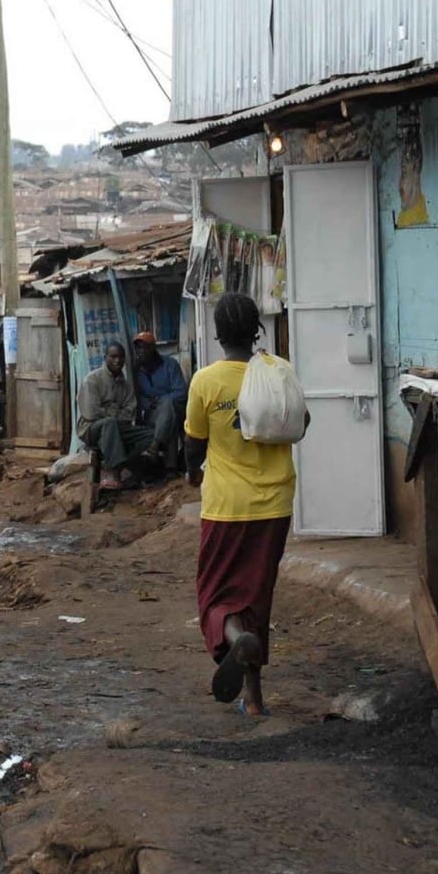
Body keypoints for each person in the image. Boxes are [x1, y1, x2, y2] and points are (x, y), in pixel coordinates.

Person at [185, 293, 299, 718]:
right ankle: (252, 701)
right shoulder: (279, 370)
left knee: (216, 598)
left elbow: (193, 445)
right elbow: (301, 423)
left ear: (217, 334)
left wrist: (191, 472)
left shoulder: (206, 382)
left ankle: (235, 640)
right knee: (256, 599)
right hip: (275, 505)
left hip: (227, 508)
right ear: (257, 331)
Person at [77, 344, 157, 490]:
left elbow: (129, 413)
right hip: (90, 428)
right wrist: (115, 412)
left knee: (151, 434)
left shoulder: (125, 385)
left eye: (121, 357)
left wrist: (108, 410)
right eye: (113, 357)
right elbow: (91, 412)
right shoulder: (92, 380)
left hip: (117, 427)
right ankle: (112, 472)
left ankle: (126, 466)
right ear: (105, 357)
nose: (117, 360)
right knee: (110, 423)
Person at [134, 331, 188, 472]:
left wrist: (162, 400)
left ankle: (155, 448)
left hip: (175, 410)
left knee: (168, 408)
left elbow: (181, 392)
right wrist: (148, 403)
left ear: (153, 348)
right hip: (152, 413)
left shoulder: (170, 365)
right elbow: (140, 397)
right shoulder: (137, 371)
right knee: (166, 417)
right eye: (138, 348)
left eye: (144, 347)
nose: (140, 351)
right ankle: (170, 467)